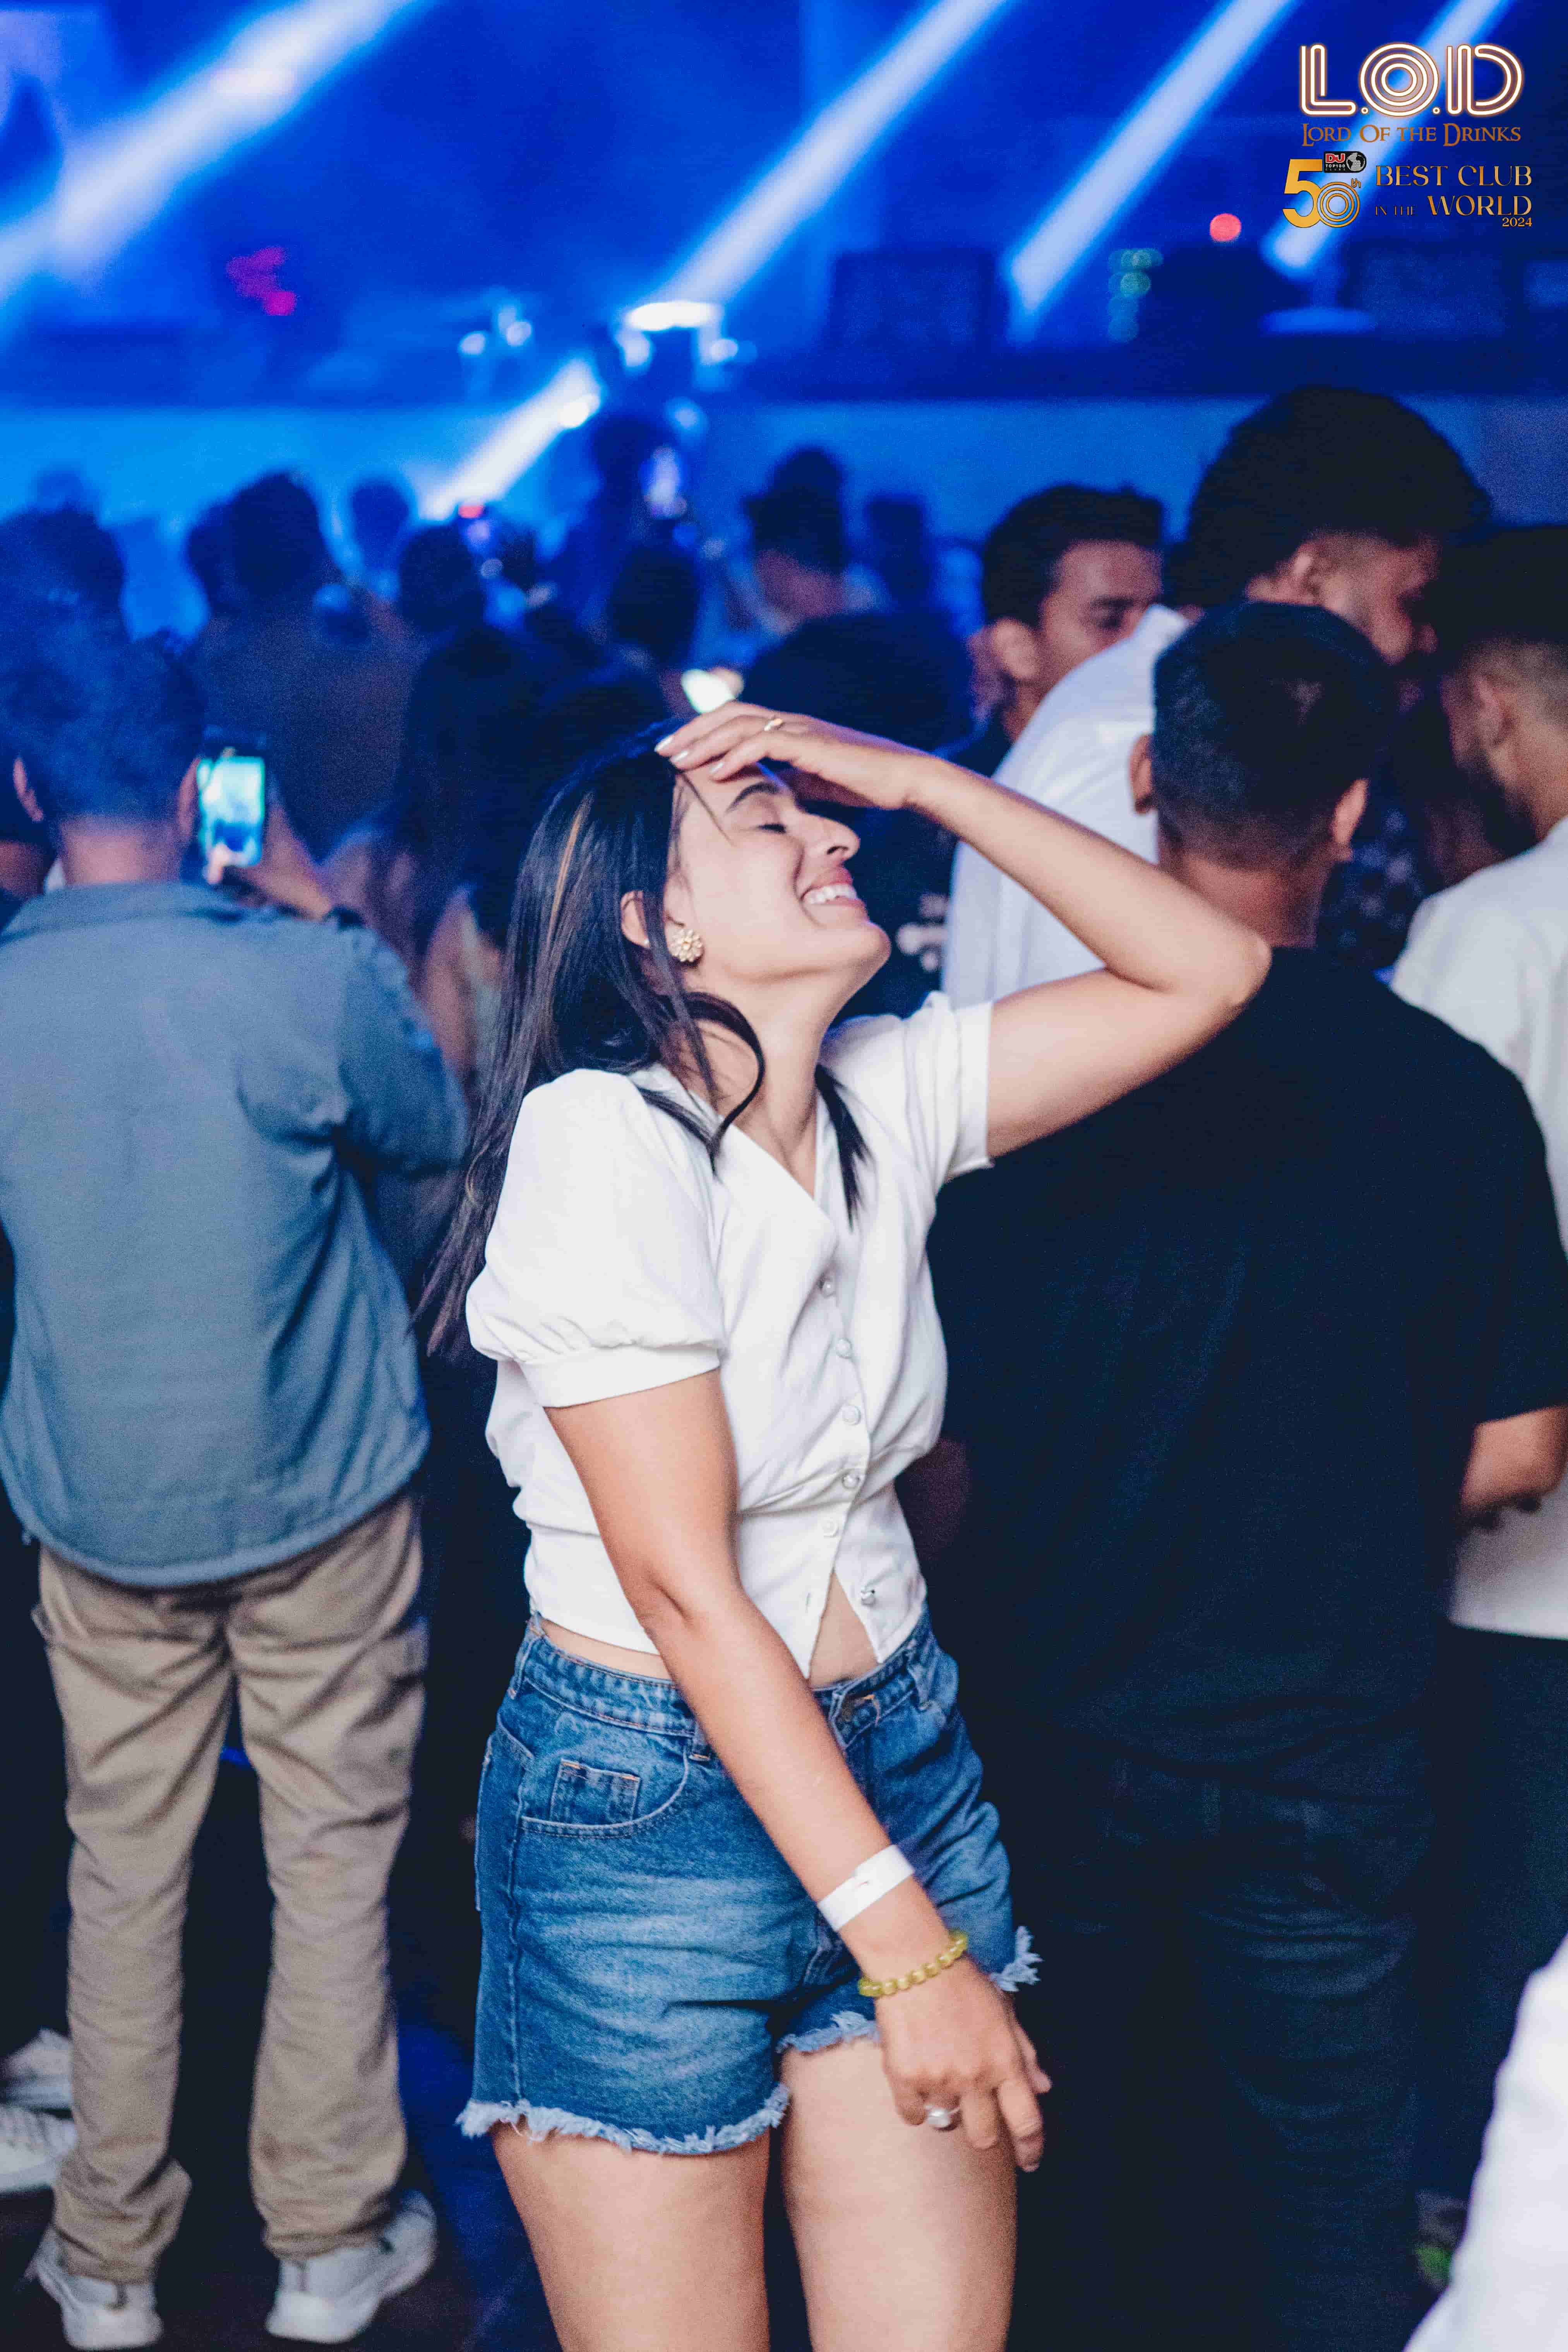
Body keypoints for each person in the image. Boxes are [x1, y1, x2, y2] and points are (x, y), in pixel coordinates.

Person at [422, 682, 1269, 2352]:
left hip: (900, 1751)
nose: (827, 831)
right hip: (645, 1809)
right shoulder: (604, 1137)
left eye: (822, 810)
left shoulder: (885, 1090)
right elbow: (683, 1585)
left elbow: (1210, 968)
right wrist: (909, 1948)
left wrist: (918, 780)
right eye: (769, 819)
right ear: (655, 927)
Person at [927, 601, 1568, 2352]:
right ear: (1351, 812)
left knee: (1053, 2192)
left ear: (1144, 777)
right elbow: (1524, 1443)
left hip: (1056, 1729)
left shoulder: (1017, 1082)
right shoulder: (1449, 1097)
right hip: (1328, 1748)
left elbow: (938, 1449)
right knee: (1325, 2220)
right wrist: (1345, 1495)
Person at [0, 617, 468, 2348]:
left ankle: (108, 2260)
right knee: (330, 1860)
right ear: (203, 779)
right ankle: (327, 2243)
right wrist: (321, 907)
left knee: (123, 1872)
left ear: (29, 789)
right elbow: (431, 1127)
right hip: (320, 1487)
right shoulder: (297, 972)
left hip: (97, 1501)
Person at [943, 386, 1488, 1004]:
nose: (1422, 639)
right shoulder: (1131, 733)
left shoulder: (1199, 714)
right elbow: (1091, 1033)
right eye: (1412, 602)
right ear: (1310, 576)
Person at [1390, 529, 1568, 2233]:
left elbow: (1398, 1246)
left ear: (1489, 708)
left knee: (1505, 1986)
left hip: (1521, 1574)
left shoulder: (1488, 928)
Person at [192, 472, 417, 859]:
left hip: (251, 885)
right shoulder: (379, 680)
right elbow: (418, 657)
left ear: (233, 566)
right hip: (360, 884)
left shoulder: (209, 684)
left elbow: (225, 844)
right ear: (322, 556)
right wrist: (347, 581)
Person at [943, 485, 1164, 779]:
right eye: (1109, 621)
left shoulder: (1183, 782)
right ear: (1017, 649)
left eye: (1161, 620)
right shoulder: (937, 799)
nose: (1153, 644)